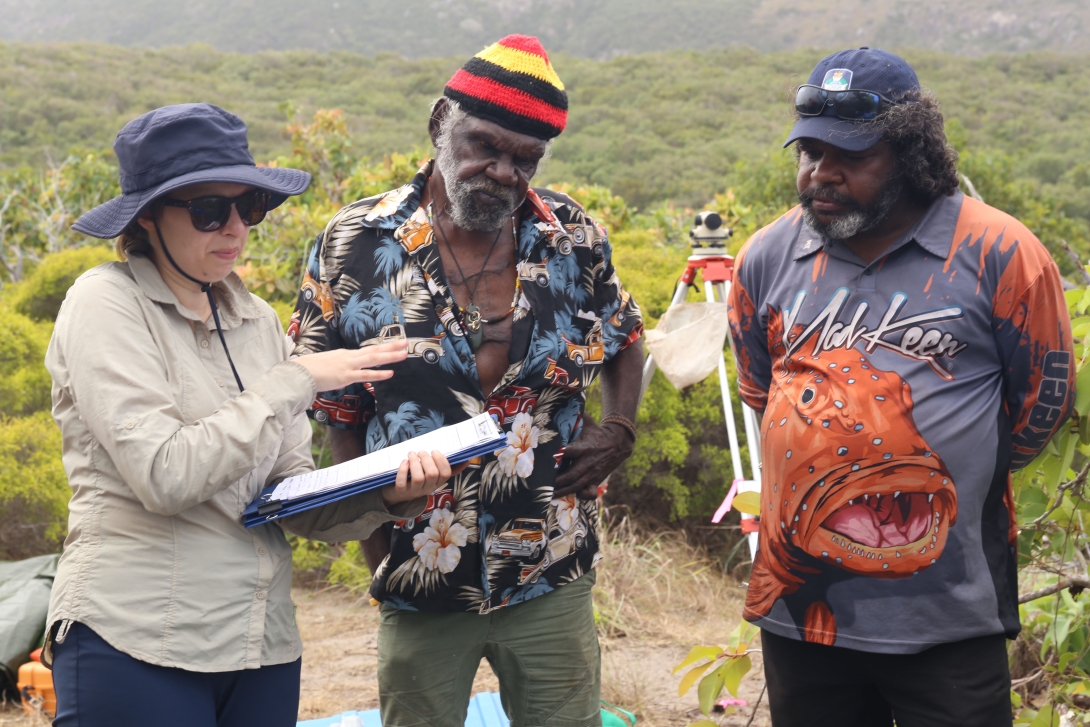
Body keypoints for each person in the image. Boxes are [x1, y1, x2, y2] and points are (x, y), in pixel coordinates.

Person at [44, 103, 458, 727]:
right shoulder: (106, 304)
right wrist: (296, 378)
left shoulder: (256, 320)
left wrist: (392, 491)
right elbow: (164, 475)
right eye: (211, 210)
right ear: (149, 217)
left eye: (251, 207)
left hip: (259, 645)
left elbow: (284, 496)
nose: (235, 228)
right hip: (136, 639)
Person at [288, 35, 644, 727]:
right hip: (419, 572)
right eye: (485, 145)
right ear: (439, 124)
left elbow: (626, 335)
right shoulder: (354, 241)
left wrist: (620, 427)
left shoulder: (573, 236)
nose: (503, 171)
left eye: (525, 158)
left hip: (550, 565)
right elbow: (336, 409)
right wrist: (377, 547)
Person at [727, 48, 1075, 727]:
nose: (820, 175)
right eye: (809, 152)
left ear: (912, 153)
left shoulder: (1001, 254)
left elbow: (1039, 408)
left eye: (849, 156)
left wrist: (953, 463)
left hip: (949, 620)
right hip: (806, 621)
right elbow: (761, 392)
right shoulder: (766, 257)